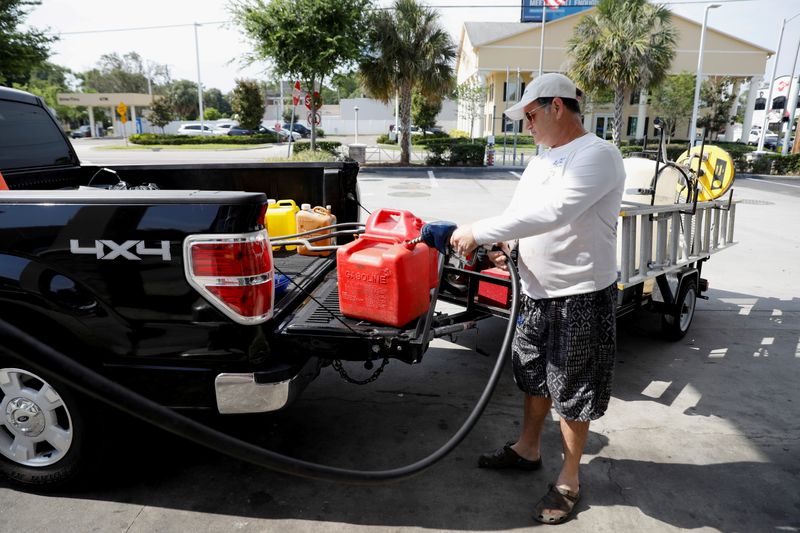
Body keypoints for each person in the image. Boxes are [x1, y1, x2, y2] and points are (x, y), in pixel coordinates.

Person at [450, 73, 625, 525]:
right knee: (532, 375)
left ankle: (569, 478)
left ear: (557, 107)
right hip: (535, 292)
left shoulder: (598, 155)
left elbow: (556, 212)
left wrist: (478, 230)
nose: (525, 125)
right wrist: (501, 243)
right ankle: (528, 449)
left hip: (580, 295)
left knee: (573, 386)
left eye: (530, 115)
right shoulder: (541, 161)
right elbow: (519, 216)